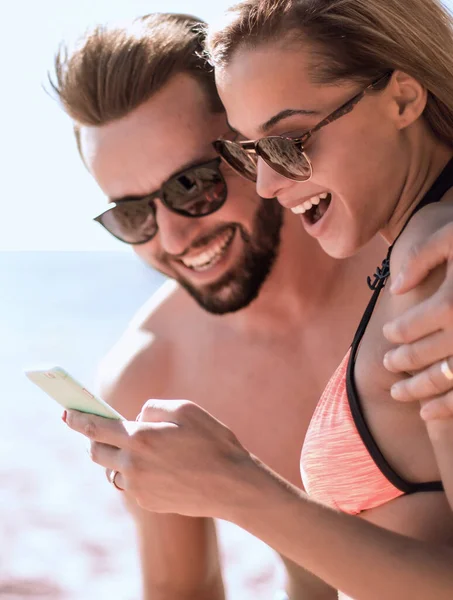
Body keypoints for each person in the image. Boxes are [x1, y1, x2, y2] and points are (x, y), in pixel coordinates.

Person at [61, 2, 453, 599]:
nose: (172, 238)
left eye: (193, 184)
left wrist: (242, 491)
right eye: (132, 214)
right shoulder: (152, 372)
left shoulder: (421, 260)